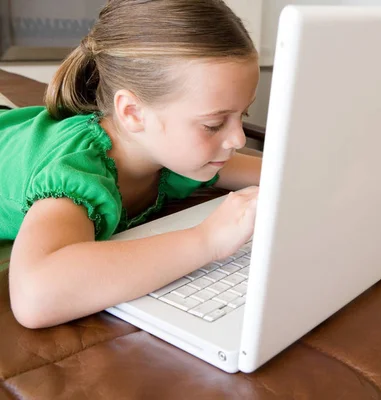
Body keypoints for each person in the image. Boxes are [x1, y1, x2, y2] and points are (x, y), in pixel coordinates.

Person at [0, 0, 262, 329]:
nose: (238, 139)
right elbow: (34, 296)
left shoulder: (171, 150)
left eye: (243, 115)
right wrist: (207, 239)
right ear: (133, 113)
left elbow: (278, 174)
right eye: (213, 124)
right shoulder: (76, 174)